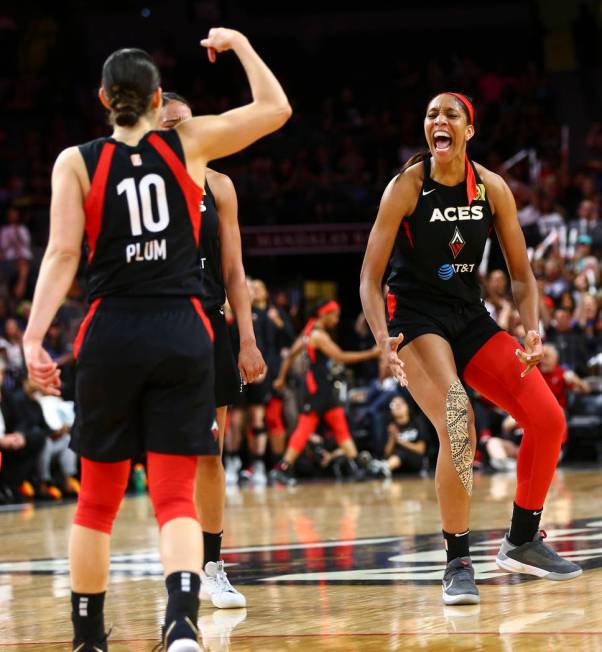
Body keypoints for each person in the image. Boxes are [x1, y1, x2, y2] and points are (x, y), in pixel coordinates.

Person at [23, 30, 291, 652]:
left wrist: (33, 338)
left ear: (103, 99)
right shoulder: (188, 145)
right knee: (175, 496)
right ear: (153, 101)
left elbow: (62, 254)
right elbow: (276, 108)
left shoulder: (76, 160)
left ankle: (89, 637)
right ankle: (181, 627)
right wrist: (245, 46)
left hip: (111, 330)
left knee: (96, 504)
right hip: (181, 331)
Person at [360, 92, 581, 607]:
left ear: (469, 131)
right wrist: (380, 337)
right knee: (457, 418)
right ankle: (457, 560)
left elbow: (523, 276)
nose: (439, 121)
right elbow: (369, 279)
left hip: (469, 317)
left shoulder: (491, 187)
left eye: (450, 115)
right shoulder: (405, 187)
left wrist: (532, 330)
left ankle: (522, 539)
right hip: (414, 320)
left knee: (548, 419)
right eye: (431, 114)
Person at [158, 91, 265, 609]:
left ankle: (210, 564)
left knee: (209, 451)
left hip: (207, 326)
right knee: (160, 452)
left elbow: (234, 271)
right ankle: (173, 560)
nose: (177, 133)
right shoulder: (140, 187)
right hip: (153, 327)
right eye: (166, 126)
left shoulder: (219, 185)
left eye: (184, 123)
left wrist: (246, 337)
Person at [269, 300, 379, 485]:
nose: (336, 320)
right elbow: (341, 357)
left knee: (339, 424)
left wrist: (281, 378)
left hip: (321, 386)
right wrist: (372, 353)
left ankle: (356, 465)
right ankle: (283, 467)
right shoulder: (318, 336)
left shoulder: (307, 332)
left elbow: (289, 355)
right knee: (305, 427)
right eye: (334, 315)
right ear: (323, 314)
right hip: (316, 387)